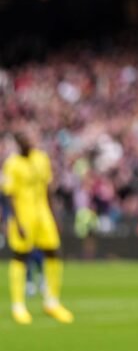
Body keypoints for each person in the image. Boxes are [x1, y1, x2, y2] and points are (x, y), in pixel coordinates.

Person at [2, 131, 73, 325]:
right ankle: (18, 305)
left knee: (53, 251)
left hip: (43, 212)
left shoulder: (41, 159)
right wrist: (16, 221)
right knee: (20, 255)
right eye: (24, 140)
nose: (29, 143)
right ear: (18, 144)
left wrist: (54, 216)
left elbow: (48, 189)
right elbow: (10, 196)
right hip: (23, 214)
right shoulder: (12, 164)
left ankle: (52, 301)